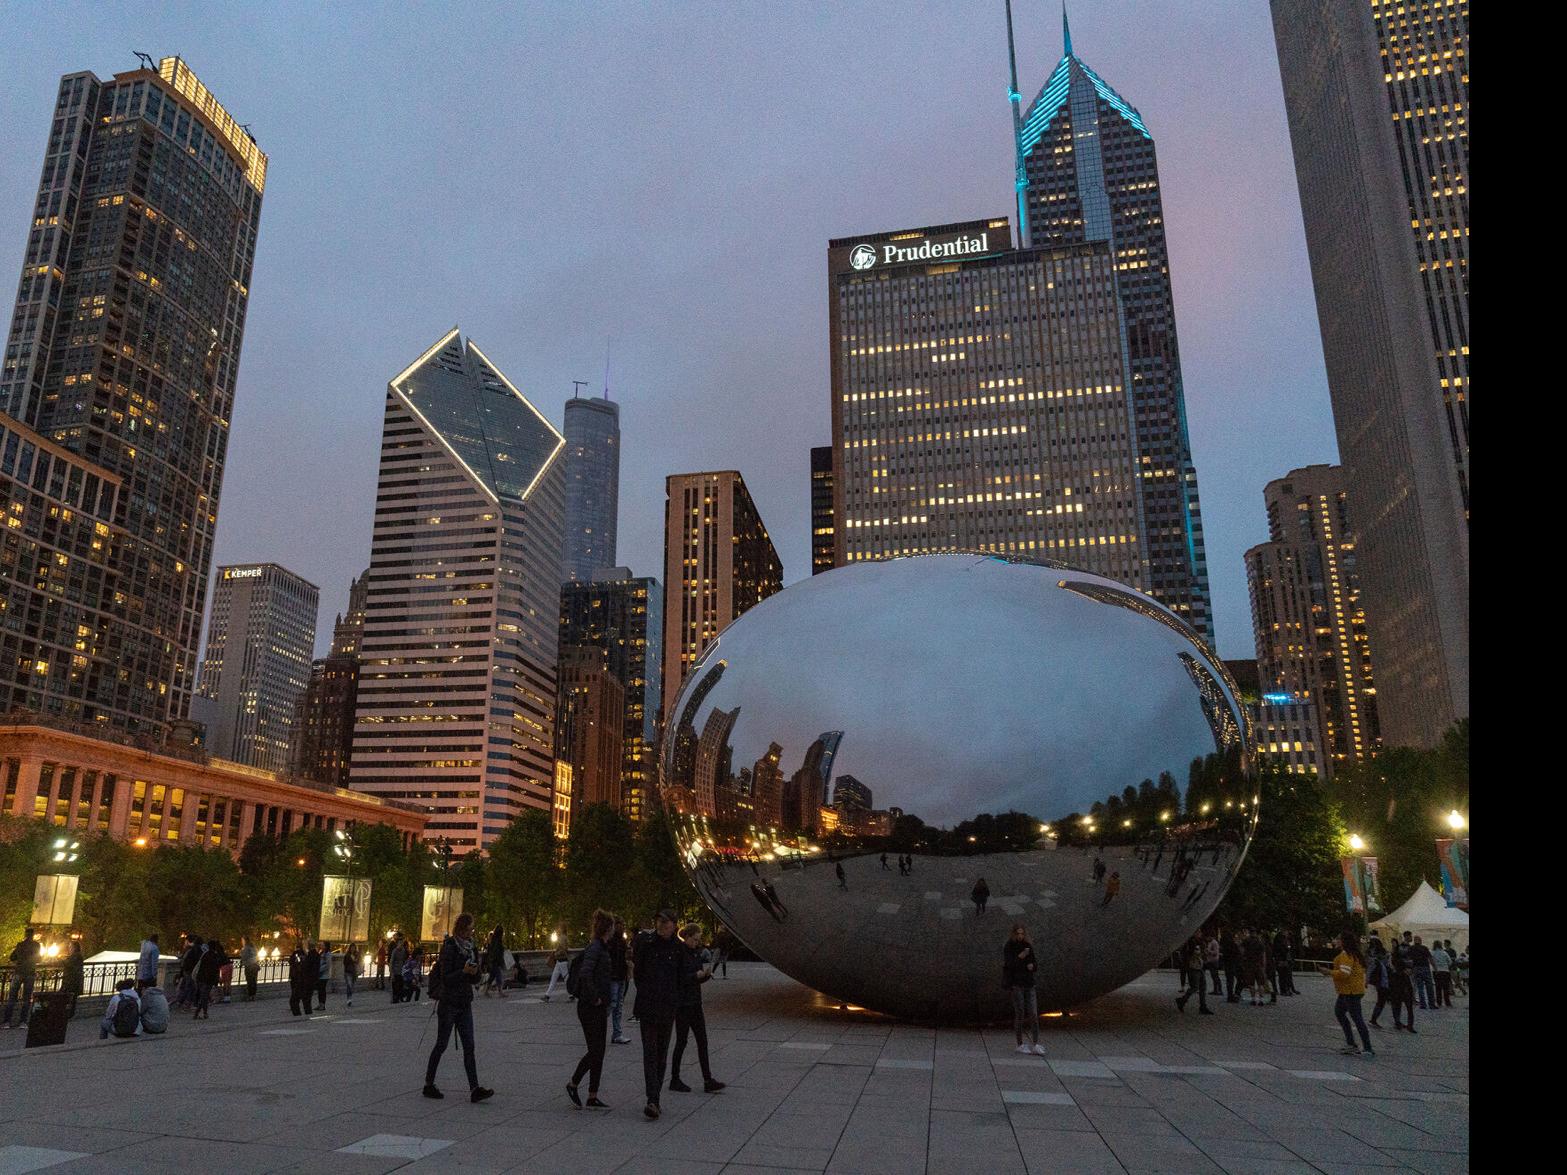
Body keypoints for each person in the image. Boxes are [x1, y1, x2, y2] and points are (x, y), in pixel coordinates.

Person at [423, 912, 493, 1103]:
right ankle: (429, 1084)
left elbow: (475, 978)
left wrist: (476, 972)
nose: (472, 932)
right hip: (449, 1002)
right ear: (461, 929)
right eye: (470, 928)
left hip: (464, 1002)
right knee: (441, 1044)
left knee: (469, 1046)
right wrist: (463, 972)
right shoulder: (450, 947)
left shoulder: (472, 948)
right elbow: (446, 978)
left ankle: (474, 1088)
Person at [634, 909, 683, 1119]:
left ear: (674, 925)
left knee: (661, 1054)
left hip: (667, 1007)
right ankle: (652, 1099)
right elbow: (638, 973)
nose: (662, 925)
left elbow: (681, 977)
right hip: (648, 1006)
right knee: (650, 1053)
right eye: (659, 922)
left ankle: (655, 1097)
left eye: (666, 922)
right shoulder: (646, 945)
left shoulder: (678, 949)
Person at [566, 910, 614, 1110]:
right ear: (608, 928)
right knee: (596, 1050)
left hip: (598, 1006)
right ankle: (573, 1083)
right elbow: (586, 974)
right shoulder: (595, 948)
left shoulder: (601, 947)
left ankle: (592, 1095)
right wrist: (595, 998)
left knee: (599, 1051)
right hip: (590, 1007)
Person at [671, 924, 725, 1094]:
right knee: (682, 1041)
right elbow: (678, 978)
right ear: (686, 937)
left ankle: (707, 1079)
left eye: (698, 940)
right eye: (695, 939)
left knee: (702, 1041)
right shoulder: (679, 952)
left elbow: (696, 977)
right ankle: (674, 1078)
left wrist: (705, 976)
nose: (697, 942)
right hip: (683, 1005)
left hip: (695, 1003)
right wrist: (695, 976)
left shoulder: (695, 953)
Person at [1319, 931, 1374, 1057]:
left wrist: (1329, 972)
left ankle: (1367, 1047)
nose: (1336, 941)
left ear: (1343, 941)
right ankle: (1352, 1043)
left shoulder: (1346, 955)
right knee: (1340, 1012)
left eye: (1338, 939)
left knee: (1356, 1018)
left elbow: (1344, 973)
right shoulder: (1354, 954)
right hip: (1349, 990)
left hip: (1350, 991)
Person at [1004, 923, 1046, 1054]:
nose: (1020, 936)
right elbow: (1009, 965)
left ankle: (1036, 1043)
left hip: (1029, 984)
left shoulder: (1028, 946)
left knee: (1033, 1013)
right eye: (1018, 934)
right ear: (1013, 934)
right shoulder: (1009, 947)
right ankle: (1020, 1044)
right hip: (1017, 985)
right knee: (1020, 1014)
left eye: (1022, 933)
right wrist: (1021, 956)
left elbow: (1034, 963)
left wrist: (1032, 966)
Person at [3, 927, 42, 1029]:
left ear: (25, 934)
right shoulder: (36, 945)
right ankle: (23, 1022)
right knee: (26, 999)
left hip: (19, 972)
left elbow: (12, 957)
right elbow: (39, 959)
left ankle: (7, 1022)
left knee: (12, 998)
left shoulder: (20, 945)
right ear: (33, 935)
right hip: (30, 973)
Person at [1175, 935, 1213, 1015]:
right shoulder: (1191, 943)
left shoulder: (1199, 943)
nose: (1200, 933)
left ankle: (1203, 1006)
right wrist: (1202, 950)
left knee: (1203, 987)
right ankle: (1182, 1000)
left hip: (1199, 967)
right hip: (1194, 967)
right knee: (1195, 987)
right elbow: (1194, 954)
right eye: (1198, 932)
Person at [609, 918, 632, 1044]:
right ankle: (611, 1032)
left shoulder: (622, 941)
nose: (623, 927)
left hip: (620, 976)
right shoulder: (611, 941)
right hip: (613, 977)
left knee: (618, 1005)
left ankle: (617, 1033)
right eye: (620, 925)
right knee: (612, 1004)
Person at [194, 935, 226, 1019]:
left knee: (203, 996)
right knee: (204, 996)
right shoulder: (214, 956)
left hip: (201, 978)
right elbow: (215, 968)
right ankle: (202, 1013)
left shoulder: (205, 955)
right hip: (207, 979)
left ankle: (199, 1013)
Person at [1388, 948, 1417, 1033]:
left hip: (1396, 994)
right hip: (1406, 994)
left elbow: (1390, 986)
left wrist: (1389, 996)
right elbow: (1410, 986)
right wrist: (1412, 995)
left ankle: (1397, 1022)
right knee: (1409, 1010)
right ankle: (1410, 1025)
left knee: (1396, 1008)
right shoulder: (1405, 976)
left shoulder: (1393, 975)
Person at [1366, 937, 1392, 1028]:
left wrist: (1367, 980)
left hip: (1381, 981)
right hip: (1383, 981)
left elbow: (1370, 969)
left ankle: (1374, 1020)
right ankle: (1373, 1020)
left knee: (1381, 1001)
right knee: (1381, 1001)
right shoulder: (1382, 955)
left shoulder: (1374, 956)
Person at [1409, 936, 1435, 1010]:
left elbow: (1409, 959)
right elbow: (1430, 958)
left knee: (1420, 987)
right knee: (1429, 986)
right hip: (1425, 968)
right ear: (1420, 941)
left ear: (1414, 941)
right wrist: (1435, 968)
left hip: (1416, 969)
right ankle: (1431, 1004)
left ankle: (1423, 1004)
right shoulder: (1424, 948)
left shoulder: (1411, 948)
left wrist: (1411, 969)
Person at [288, 942, 313, 1018]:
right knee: (306, 1000)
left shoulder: (296, 955)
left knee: (294, 1000)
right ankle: (308, 1013)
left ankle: (298, 1014)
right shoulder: (307, 955)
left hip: (298, 979)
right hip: (306, 980)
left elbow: (293, 963)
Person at [483, 926, 507, 998]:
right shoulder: (497, 940)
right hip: (495, 961)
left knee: (492, 976)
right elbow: (497, 952)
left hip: (493, 961)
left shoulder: (493, 940)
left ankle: (486, 991)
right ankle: (500, 992)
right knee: (498, 976)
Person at [62, 941, 85, 1018]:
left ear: (74, 947)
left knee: (70, 998)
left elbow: (68, 964)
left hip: (72, 981)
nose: (69, 948)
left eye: (70, 946)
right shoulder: (77, 956)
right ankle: (69, 1013)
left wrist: (62, 960)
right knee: (71, 998)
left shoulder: (76, 956)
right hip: (74, 981)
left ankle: (68, 1014)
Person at [1430, 941, 1453, 1007]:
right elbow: (1450, 962)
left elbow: (1430, 961)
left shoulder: (1432, 953)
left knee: (1438, 987)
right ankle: (1447, 1002)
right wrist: (1445, 966)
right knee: (1446, 987)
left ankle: (1439, 1002)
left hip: (1436, 971)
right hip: (1445, 971)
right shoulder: (1444, 953)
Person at [1221, 929, 1241, 1003]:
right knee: (1238, 979)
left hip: (1227, 964)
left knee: (1229, 981)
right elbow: (1238, 954)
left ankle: (1230, 995)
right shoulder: (1232, 944)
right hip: (1233, 964)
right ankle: (1235, 994)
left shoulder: (1225, 945)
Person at [389, 933, 408, 1004]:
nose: (401, 944)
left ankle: (400, 997)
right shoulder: (395, 951)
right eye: (400, 943)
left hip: (401, 970)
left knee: (400, 985)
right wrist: (392, 972)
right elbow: (391, 962)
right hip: (395, 970)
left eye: (402, 943)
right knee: (394, 986)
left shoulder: (403, 950)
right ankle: (394, 998)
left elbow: (404, 960)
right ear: (397, 944)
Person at [240, 937, 260, 1002]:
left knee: (249, 981)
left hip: (249, 966)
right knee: (254, 981)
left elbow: (243, 957)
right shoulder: (254, 948)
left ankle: (250, 996)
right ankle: (253, 995)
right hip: (255, 966)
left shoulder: (245, 949)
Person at [316, 941, 334, 1011]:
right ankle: (320, 1004)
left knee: (322, 989)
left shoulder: (328, 954)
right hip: (320, 975)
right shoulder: (321, 953)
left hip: (324, 975)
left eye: (322, 945)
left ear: (326, 946)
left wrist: (320, 969)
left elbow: (328, 965)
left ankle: (322, 1005)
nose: (321, 946)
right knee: (320, 990)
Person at [343, 943, 360, 1009]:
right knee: (349, 985)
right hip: (348, 972)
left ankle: (349, 997)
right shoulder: (347, 955)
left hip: (353, 972)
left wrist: (355, 960)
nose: (353, 949)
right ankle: (349, 999)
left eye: (354, 948)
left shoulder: (356, 955)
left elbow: (358, 962)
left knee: (351, 986)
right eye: (351, 948)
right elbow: (345, 963)